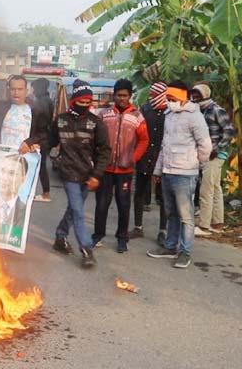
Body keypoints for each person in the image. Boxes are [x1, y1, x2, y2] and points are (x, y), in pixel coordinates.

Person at [147, 81, 211, 269]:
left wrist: (198, 164)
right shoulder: (169, 115)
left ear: (183, 97)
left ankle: (185, 251)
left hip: (185, 174)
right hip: (168, 171)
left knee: (186, 216)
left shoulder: (195, 117)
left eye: (172, 98)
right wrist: (158, 170)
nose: (169, 101)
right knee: (171, 213)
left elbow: (205, 145)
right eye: (168, 98)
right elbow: (164, 146)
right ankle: (170, 246)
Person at [47, 79, 111, 267]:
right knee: (78, 212)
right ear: (74, 101)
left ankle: (60, 237)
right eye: (80, 102)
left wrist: (96, 175)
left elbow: (104, 151)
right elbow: (49, 141)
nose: (84, 106)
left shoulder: (96, 123)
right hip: (68, 173)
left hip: (87, 174)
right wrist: (32, 143)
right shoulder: (61, 121)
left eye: (87, 103)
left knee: (74, 210)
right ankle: (87, 249)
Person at [92, 79, 149, 253]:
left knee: (123, 204)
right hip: (105, 169)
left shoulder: (137, 117)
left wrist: (133, 158)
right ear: (114, 95)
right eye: (118, 95)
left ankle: (122, 238)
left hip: (125, 170)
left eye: (125, 95)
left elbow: (144, 140)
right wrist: (97, 159)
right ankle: (97, 235)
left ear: (130, 96)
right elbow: (96, 138)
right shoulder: (104, 114)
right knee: (102, 204)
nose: (121, 99)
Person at [191, 83, 235, 235]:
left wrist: (217, 149)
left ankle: (203, 226)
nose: (195, 97)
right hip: (205, 153)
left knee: (206, 190)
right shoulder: (198, 110)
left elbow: (229, 131)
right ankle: (217, 224)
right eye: (193, 94)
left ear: (205, 95)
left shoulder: (216, 109)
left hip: (215, 154)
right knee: (215, 189)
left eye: (198, 95)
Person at [131, 82, 169, 246]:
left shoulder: (170, 111)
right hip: (144, 157)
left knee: (163, 198)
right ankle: (138, 227)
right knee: (139, 192)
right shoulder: (145, 110)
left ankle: (162, 231)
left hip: (162, 158)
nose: (152, 97)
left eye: (155, 94)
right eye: (151, 94)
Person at [30, 78, 55, 202]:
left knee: (40, 166)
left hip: (41, 138)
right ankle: (45, 192)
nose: (33, 91)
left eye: (34, 88)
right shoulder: (46, 100)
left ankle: (46, 193)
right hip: (44, 137)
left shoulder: (42, 102)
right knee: (41, 165)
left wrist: (33, 138)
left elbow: (40, 122)